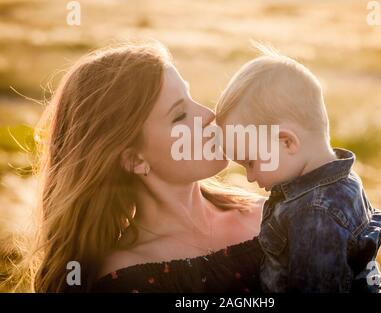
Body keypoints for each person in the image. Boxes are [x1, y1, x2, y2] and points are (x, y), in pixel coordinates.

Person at [23, 42, 265, 292]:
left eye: (190, 98)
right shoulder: (122, 279)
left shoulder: (270, 214)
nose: (207, 115)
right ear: (135, 160)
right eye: (179, 116)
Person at [215, 46, 381, 293]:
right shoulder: (344, 179)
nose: (250, 177)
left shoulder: (315, 213)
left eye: (251, 162)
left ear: (287, 142)